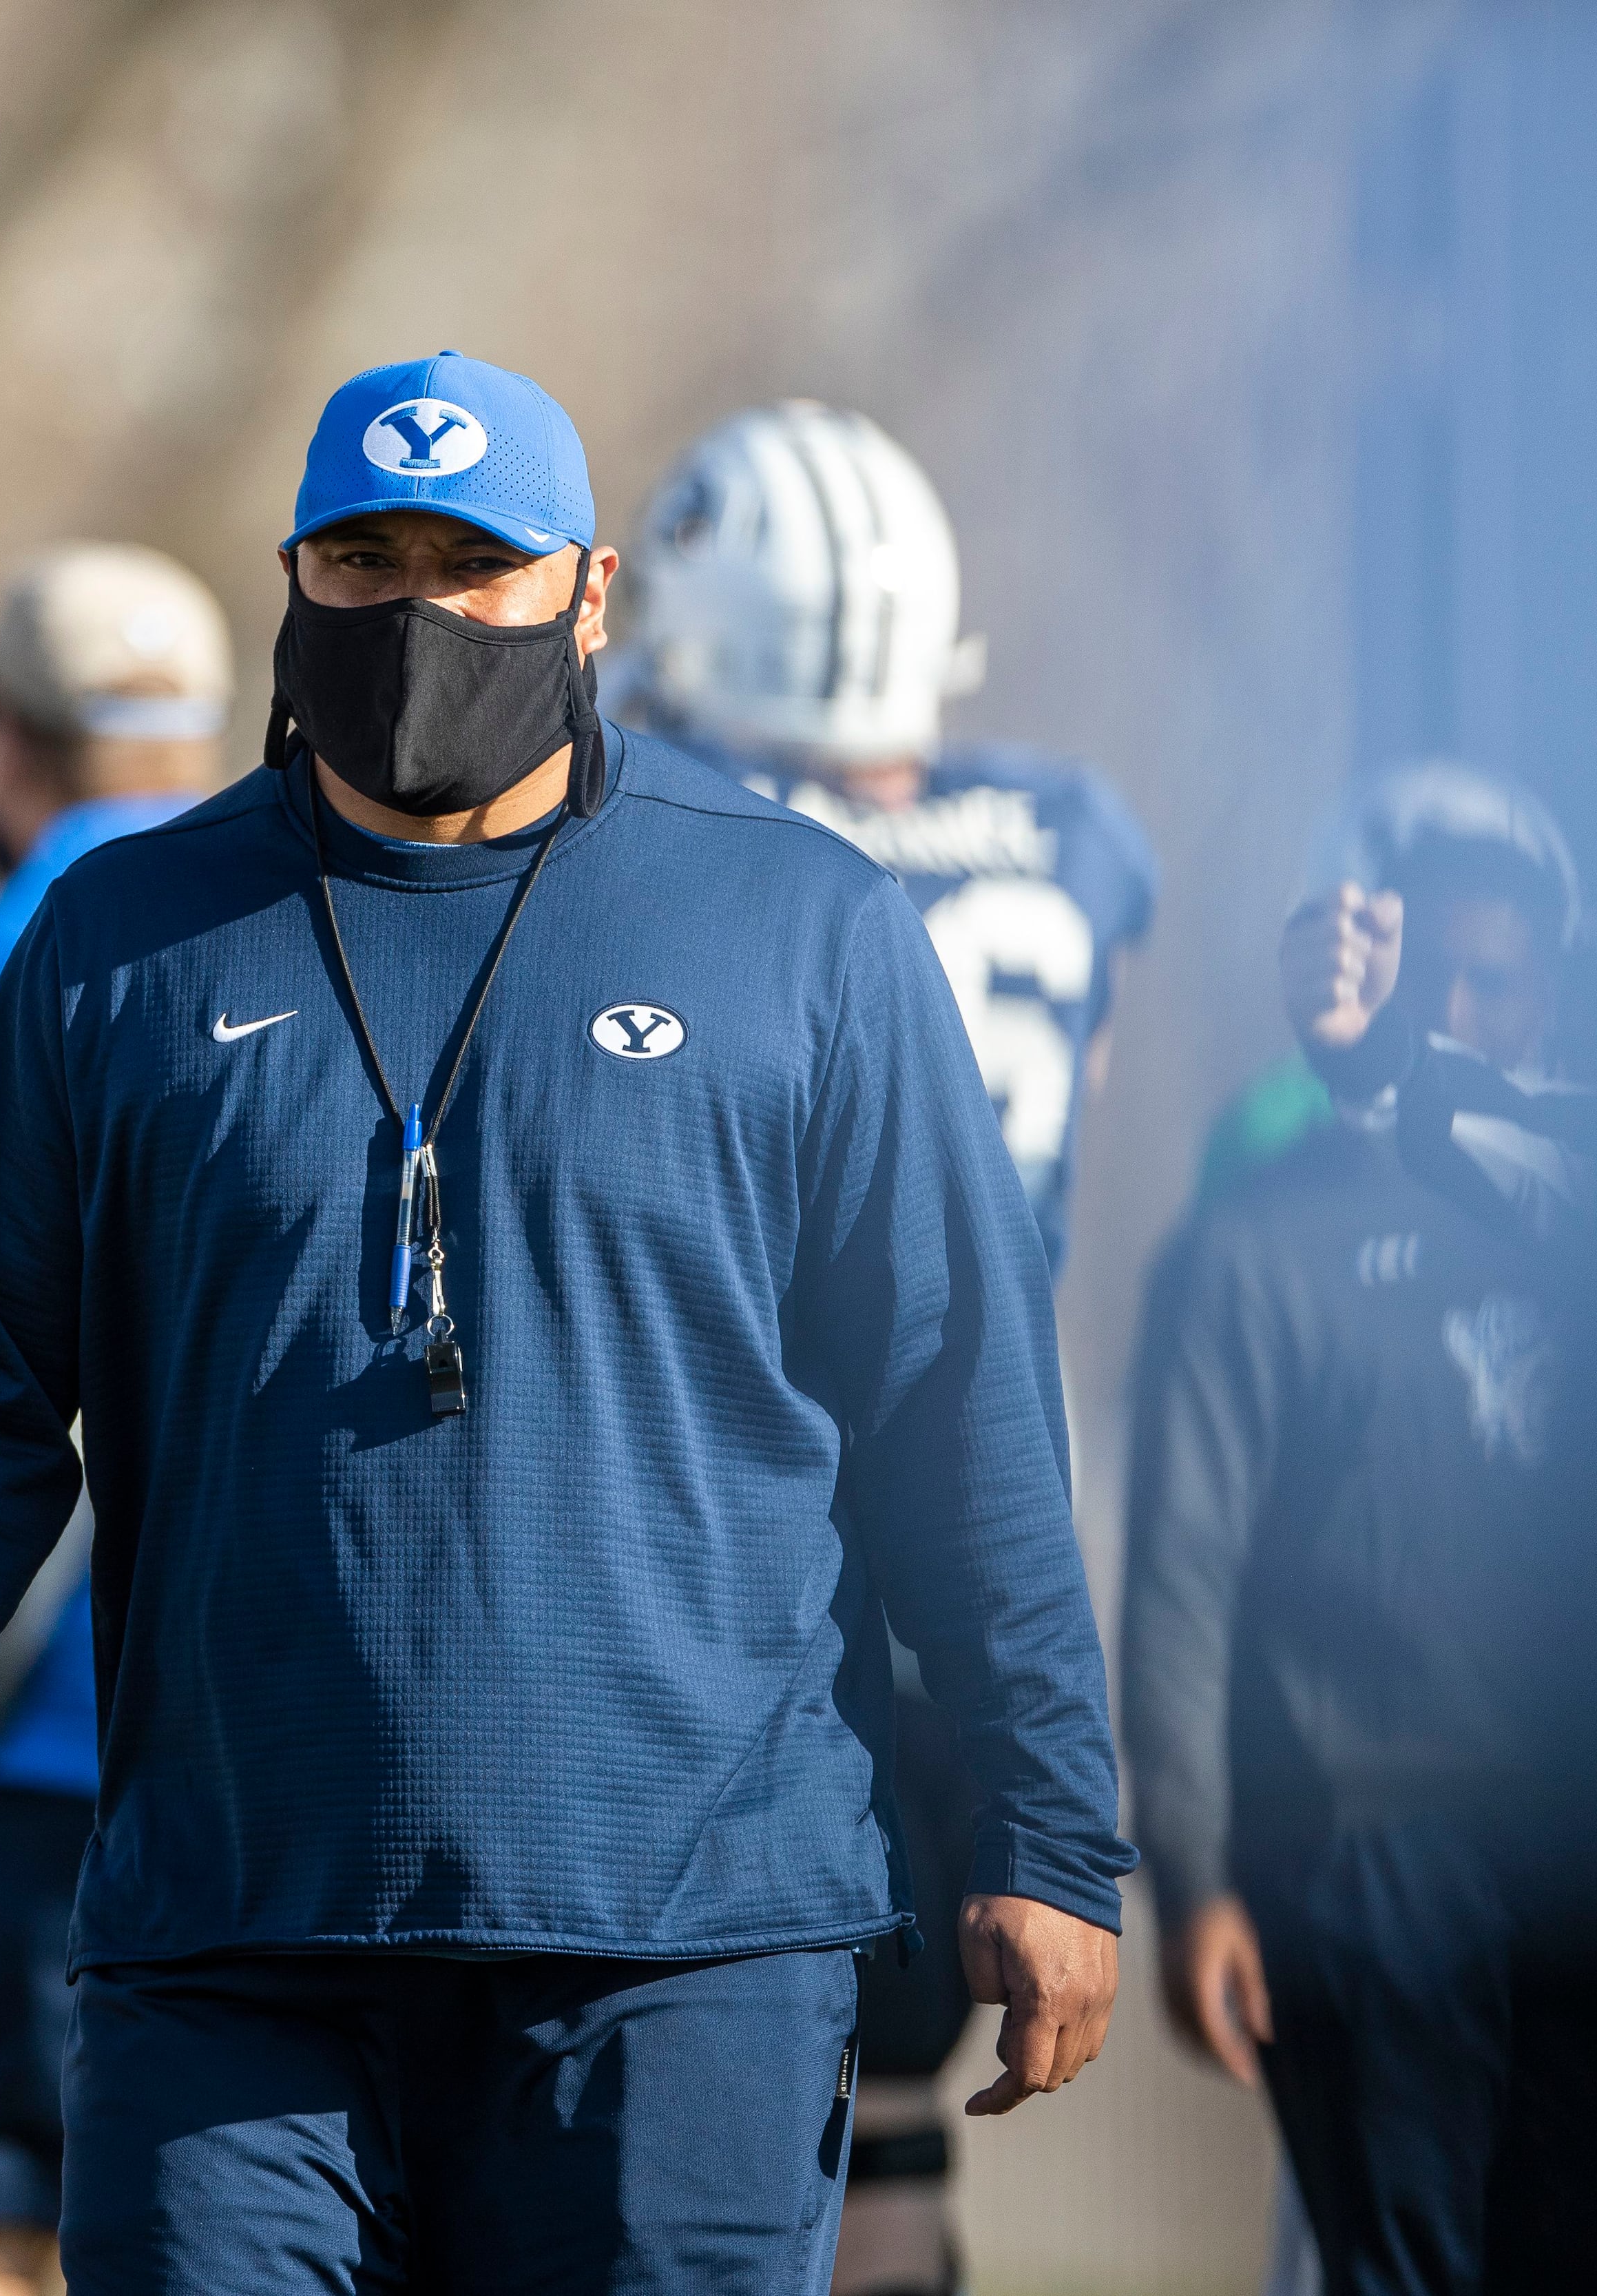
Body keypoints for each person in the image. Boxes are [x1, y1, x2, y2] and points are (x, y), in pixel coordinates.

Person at [0, 351, 1129, 2296]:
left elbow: (959, 1418)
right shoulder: (121, 944)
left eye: (477, 566)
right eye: (365, 560)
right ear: (292, 576)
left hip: (685, 1949)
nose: (417, 614)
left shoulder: (803, 931)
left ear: (591, 594)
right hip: (230, 1947)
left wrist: (1047, 1823)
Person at [609, 398, 1158, 2296]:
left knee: (749, 2072)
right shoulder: (1068, 837)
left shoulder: (700, 848)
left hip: (761, 1538)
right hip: (991, 1498)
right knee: (905, 2086)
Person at [1118, 763, 1585, 2296]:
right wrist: (1193, 1878)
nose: (1455, 1011)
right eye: (1424, 973)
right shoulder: (1252, 1242)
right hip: (1354, 1852)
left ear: (1550, 993)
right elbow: (1180, 1582)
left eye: (1493, 981)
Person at [0, 544, 229, 2296]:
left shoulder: (13, 952)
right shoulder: (289, 923)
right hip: (265, 1734)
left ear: (3, 743)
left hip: (46, 1733)